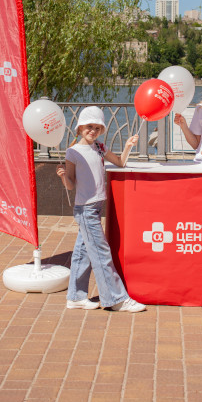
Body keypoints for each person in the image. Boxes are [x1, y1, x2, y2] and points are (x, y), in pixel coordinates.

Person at [57, 105, 146, 313]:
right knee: (101, 253)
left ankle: (75, 297)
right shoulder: (73, 152)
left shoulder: (99, 147)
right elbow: (70, 185)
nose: (93, 131)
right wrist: (63, 176)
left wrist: (128, 146)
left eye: (97, 127)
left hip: (96, 206)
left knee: (82, 253)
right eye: (89, 127)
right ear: (80, 128)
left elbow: (121, 163)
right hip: (85, 209)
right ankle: (115, 299)